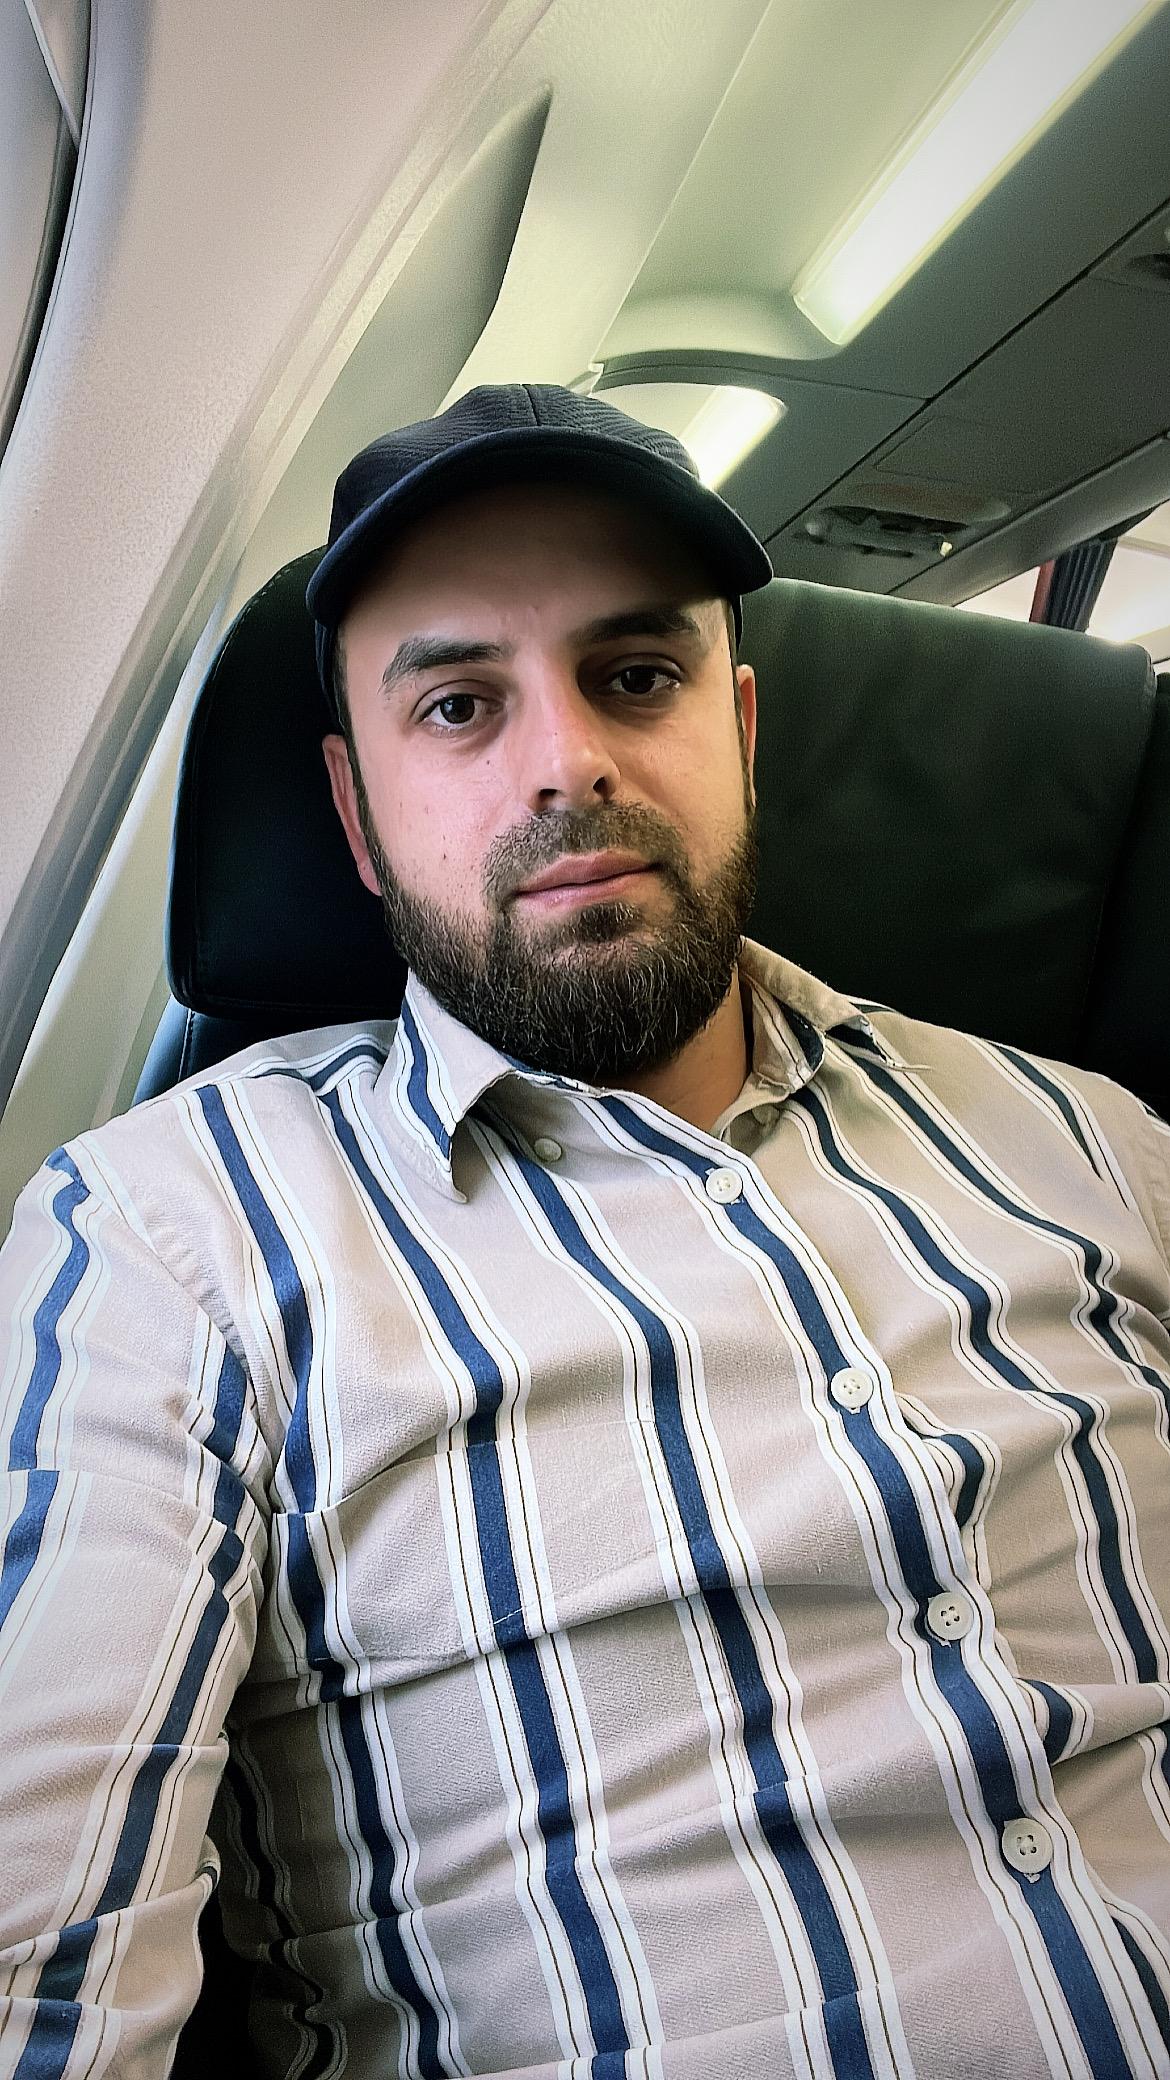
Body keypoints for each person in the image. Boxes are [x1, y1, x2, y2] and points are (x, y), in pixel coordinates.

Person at [1, 383, 1168, 2080]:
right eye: (457, 703)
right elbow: (35, 1966)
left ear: (739, 732)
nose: (566, 761)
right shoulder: (172, 1238)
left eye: (634, 677)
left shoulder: (1088, 1138)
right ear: (354, 815)